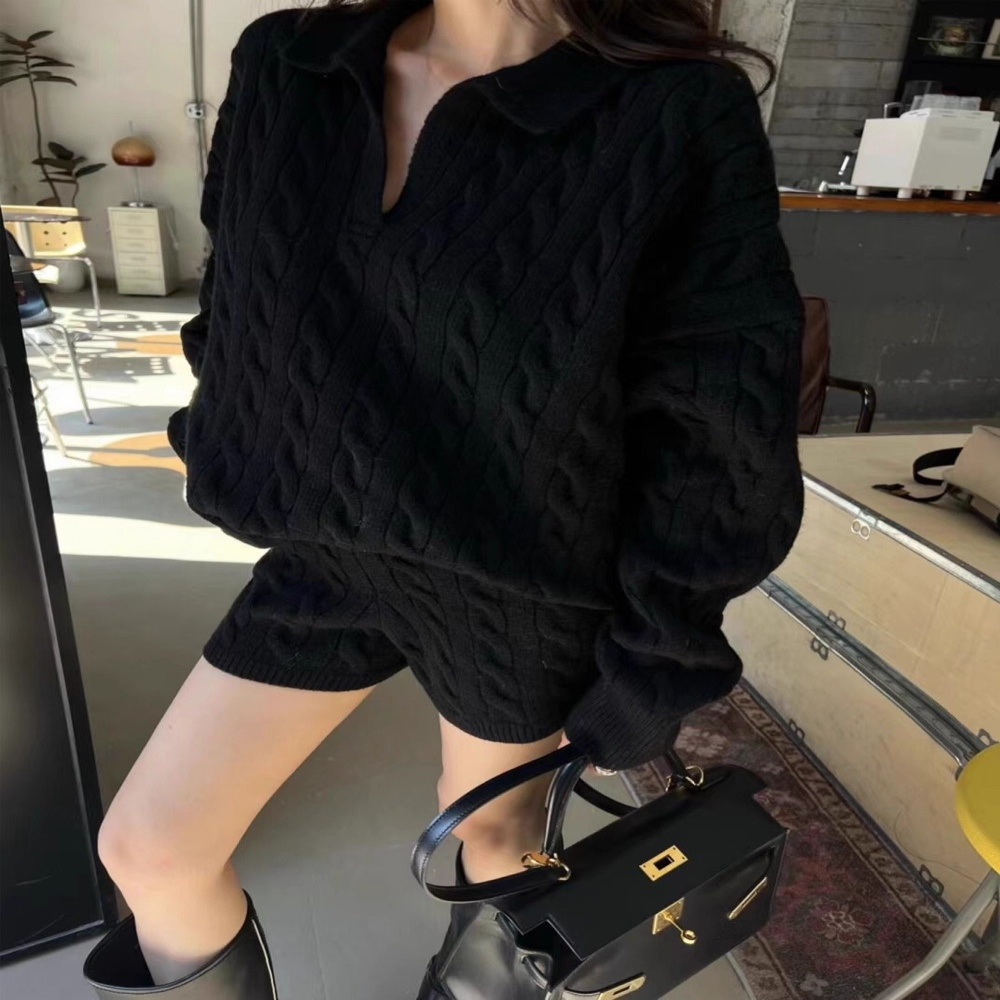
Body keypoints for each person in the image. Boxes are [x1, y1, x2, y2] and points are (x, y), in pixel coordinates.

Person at [82, 0, 805, 997]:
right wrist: (228, 434)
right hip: (327, 544)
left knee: (495, 855)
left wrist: (654, 662)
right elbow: (237, 288)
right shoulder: (289, 62)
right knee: (150, 848)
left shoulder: (674, 107)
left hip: (513, 570)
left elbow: (720, 423)